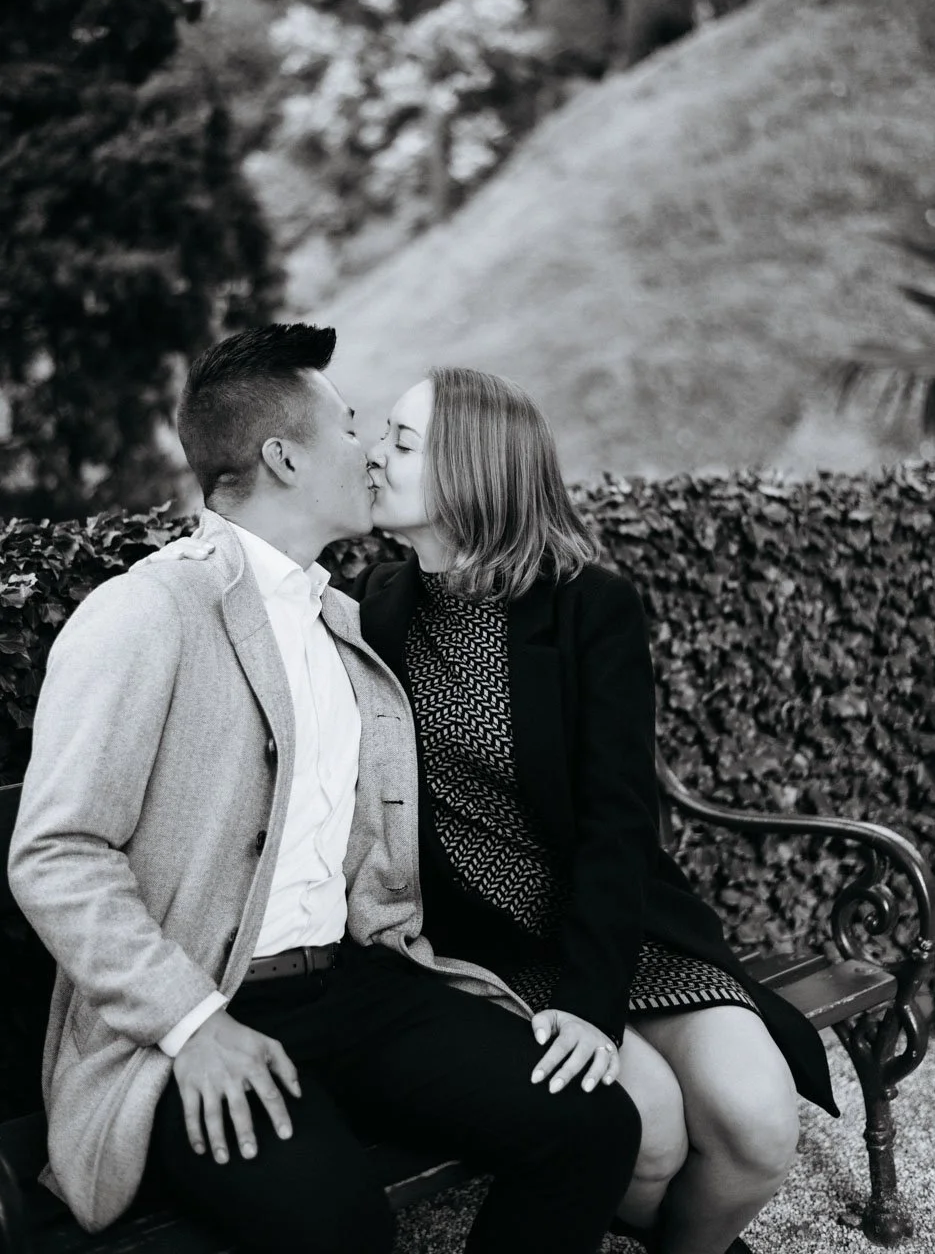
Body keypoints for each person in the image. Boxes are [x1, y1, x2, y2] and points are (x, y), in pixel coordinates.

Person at [7, 327, 642, 1254]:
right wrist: (193, 1026)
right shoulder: (147, 613)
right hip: (199, 1015)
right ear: (284, 456)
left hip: (358, 985)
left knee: (593, 1125)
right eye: (352, 428)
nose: (371, 451)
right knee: (342, 1226)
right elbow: (56, 853)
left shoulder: (345, 619)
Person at [352, 367, 839, 1254]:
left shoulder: (587, 608)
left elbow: (618, 825)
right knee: (643, 1129)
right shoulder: (369, 614)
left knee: (760, 1124)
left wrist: (591, 999)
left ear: (475, 470)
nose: (372, 456)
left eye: (401, 441)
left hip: (615, 928)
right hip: (486, 950)